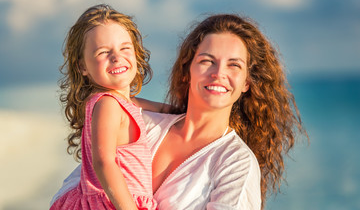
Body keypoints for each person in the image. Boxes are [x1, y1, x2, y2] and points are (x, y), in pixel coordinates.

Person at [51, 13, 306, 210]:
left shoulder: (236, 164)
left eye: (234, 65)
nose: (219, 73)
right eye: (207, 61)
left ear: (246, 83)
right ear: (187, 70)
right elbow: (81, 185)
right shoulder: (142, 124)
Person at [50, 4, 157, 209]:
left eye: (125, 48)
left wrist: (177, 109)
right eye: (102, 52)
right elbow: (104, 162)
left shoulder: (118, 103)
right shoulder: (108, 104)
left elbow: (143, 104)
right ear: (82, 66)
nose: (116, 57)